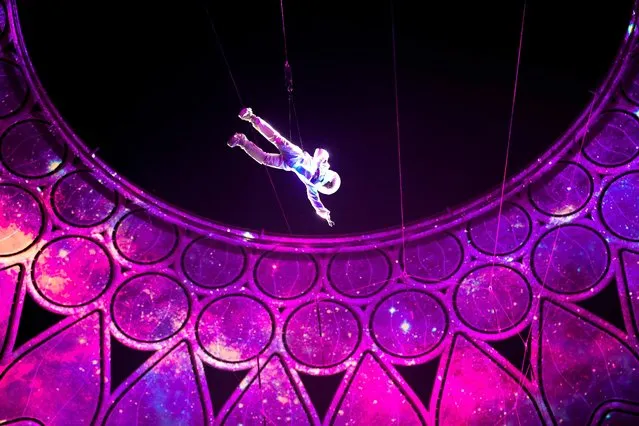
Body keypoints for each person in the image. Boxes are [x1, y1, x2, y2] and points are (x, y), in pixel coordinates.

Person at [228, 108, 340, 227]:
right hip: (296, 155)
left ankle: (241, 140)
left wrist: (325, 215)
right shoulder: (323, 168)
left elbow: (315, 202)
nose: (325, 185)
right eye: (328, 184)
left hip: (289, 165)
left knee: (265, 159)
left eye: (327, 186)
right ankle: (251, 117)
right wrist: (319, 161)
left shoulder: (312, 186)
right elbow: (320, 151)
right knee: (276, 138)